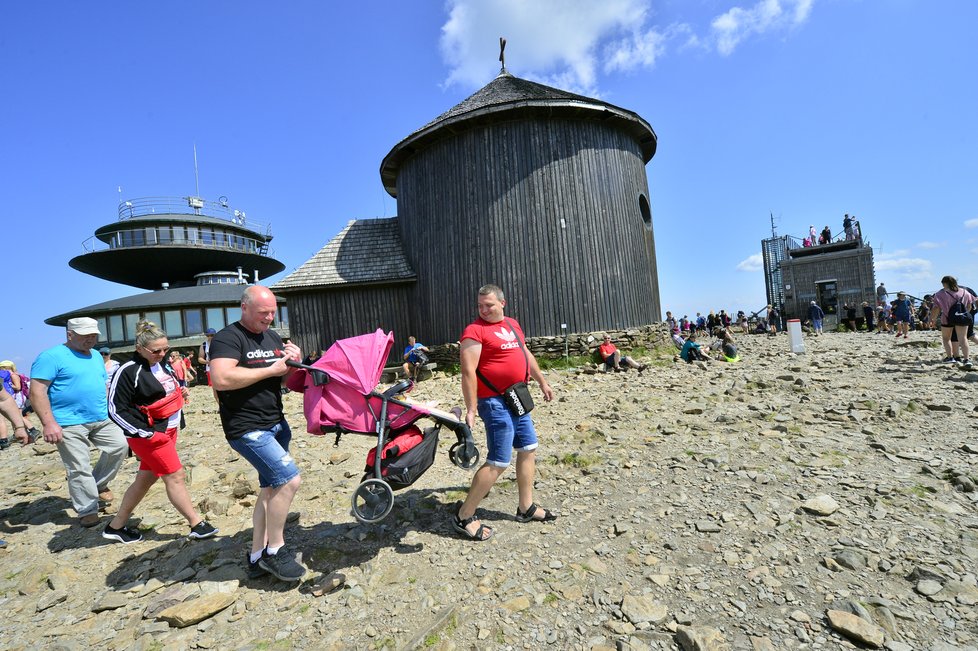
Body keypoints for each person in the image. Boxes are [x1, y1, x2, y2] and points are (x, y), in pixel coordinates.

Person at [209, 286, 306, 581]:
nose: (270, 318)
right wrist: (270, 370)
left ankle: (255, 556)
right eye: (264, 313)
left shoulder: (272, 336)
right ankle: (275, 550)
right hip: (246, 427)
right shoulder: (228, 337)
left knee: (270, 488)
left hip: (275, 422)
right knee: (289, 480)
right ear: (244, 307)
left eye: (273, 312)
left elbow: (285, 378)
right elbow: (222, 378)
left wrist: (293, 361)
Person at [453, 284, 556, 541]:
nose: (484, 310)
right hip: (493, 401)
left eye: (489, 305)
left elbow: (525, 353)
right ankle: (464, 515)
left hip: (516, 396)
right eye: (480, 306)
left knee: (528, 448)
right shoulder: (474, 331)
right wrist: (471, 408)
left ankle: (526, 507)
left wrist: (542, 381)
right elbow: (467, 372)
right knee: (499, 460)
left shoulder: (512, 325)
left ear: (502, 303)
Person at [105, 321, 218, 544]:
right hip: (150, 435)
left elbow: (165, 387)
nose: (162, 353)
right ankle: (196, 523)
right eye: (156, 350)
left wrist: (180, 390)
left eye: (165, 349)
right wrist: (146, 433)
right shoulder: (128, 370)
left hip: (168, 430)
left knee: (144, 480)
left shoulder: (162, 364)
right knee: (175, 476)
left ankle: (115, 526)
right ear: (139, 349)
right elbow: (115, 408)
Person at [30, 318, 129, 528]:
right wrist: (48, 423)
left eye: (93, 335)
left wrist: (111, 412)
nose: (90, 340)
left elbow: (101, 385)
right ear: (70, 334)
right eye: (85, 336)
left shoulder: (95, 355)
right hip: (67, 422)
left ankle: (99, 483)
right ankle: (88, 509)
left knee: (120, 446)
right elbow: (37, 391)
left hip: (101, 417)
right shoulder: (50, 357)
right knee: (78, 467)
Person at [929, 275, 976, 364]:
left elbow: (936, 308)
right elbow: (969, 306)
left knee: (946, 339)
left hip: (947, 318)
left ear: (944, 283)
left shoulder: (940, 294)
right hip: (962, 318)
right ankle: (966, 359)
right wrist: (963, 314)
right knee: (963, 339)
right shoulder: (964, 292)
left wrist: (932, 319)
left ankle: (950, 358)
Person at [0, 361, 38, 444]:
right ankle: (30, 430)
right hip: (14, 397)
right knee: (18, 415)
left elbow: (17, 387)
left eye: (2, 368)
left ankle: (32, 430)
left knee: (19, 415)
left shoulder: (13, 375)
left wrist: (19, 427)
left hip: (17, 397)